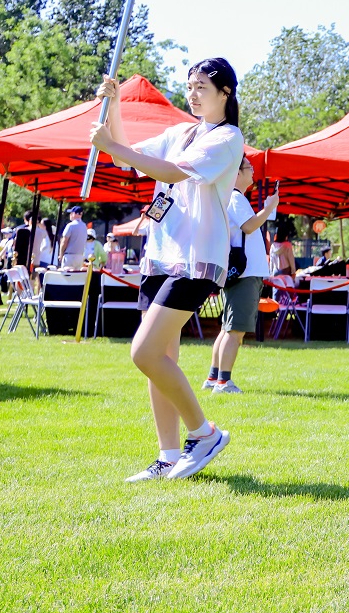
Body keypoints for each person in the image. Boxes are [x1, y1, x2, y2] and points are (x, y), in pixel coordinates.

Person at [89, 61, 244, 482]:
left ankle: (204, 433)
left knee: (144, 352)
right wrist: (115, 105)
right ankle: (168, 455)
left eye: (202, 87)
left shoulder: (228, 139)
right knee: (162, 357)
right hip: (160, 257)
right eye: (189, 87)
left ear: (225, 93)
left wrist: (109, 146)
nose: (192, 94)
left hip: (197, 260)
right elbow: (132, 158)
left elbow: (170, 172)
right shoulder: (180, 132)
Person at [205, 159, 279, 394]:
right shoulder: (235, 198)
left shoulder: (231, 197)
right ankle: (223, 382)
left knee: (228, 329)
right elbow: (249, 226)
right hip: (245, 274)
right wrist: (269, 207)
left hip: (240, 273)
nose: (253, 171)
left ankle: (214, 377)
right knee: (235, 330)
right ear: (236, 173)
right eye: (249, 168)